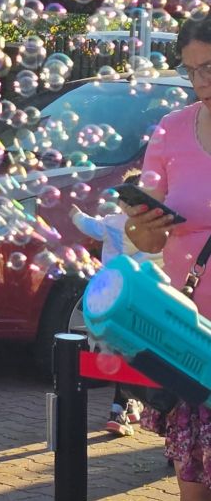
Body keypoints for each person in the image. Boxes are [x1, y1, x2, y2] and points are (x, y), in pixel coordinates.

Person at [122, 16, 211, 501]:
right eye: (191, 70)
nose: (200, 82)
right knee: (194, 490)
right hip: (191, 341)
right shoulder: (172, 130)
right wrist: (142, 224)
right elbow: (146, 238)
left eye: (210, 68)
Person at [71, 168, 157, 437]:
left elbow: (87, 225)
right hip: (145, 294)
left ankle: (124, 406)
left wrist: (74, 213)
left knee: (120, 348)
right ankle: (122, 406)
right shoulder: (156, 226)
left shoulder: (111, 222)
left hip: (112, 294)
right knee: (139, 350)